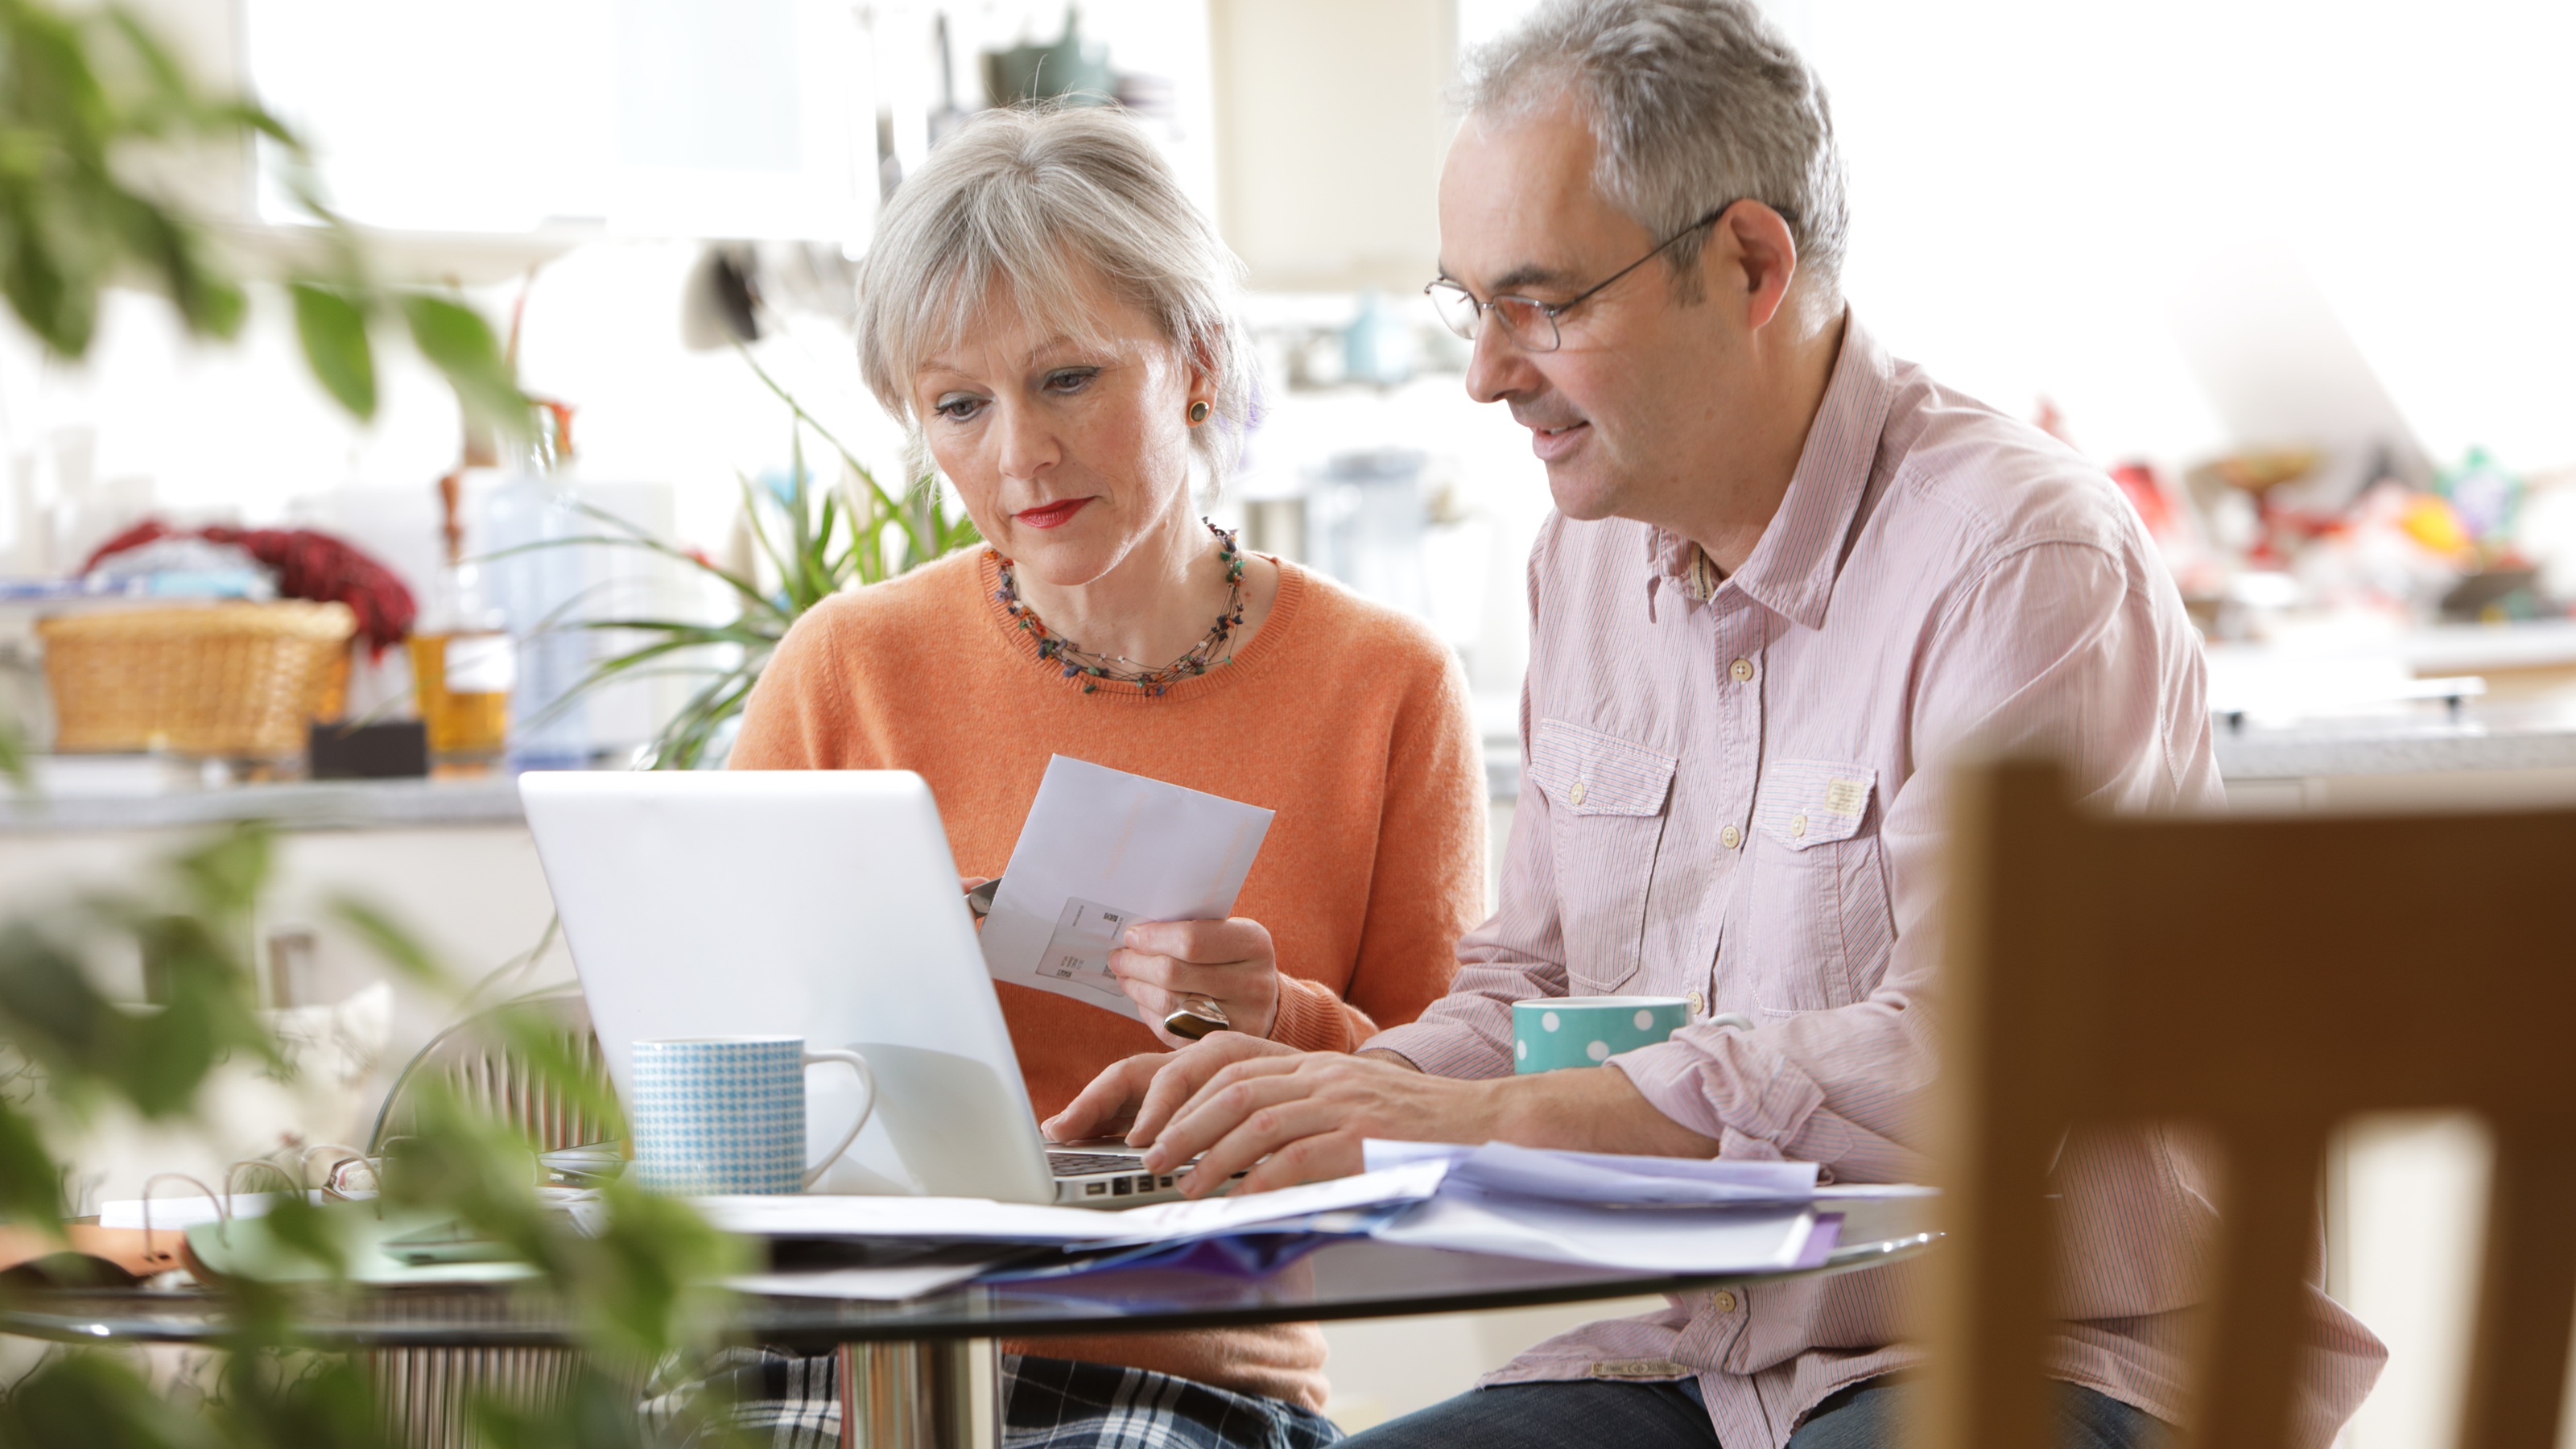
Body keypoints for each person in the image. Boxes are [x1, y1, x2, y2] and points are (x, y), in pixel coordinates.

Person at [1046, 3, 2390, 1447]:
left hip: (2039, 1345)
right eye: (1469, 304)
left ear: (1750, 262)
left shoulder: (2020, 561)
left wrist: (1480, 1127)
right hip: (1685, 1357)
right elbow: (1536, 991)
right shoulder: (1589, 559)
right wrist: (1324, 1092)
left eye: (1541, 302)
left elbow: (1984, 1056)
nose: (1486, 372)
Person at [720, 105, 1488, 1447]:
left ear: (1193, 362)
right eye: (959, 404)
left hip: (1178, 1366)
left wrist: (1280, 1022)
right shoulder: (847, 666)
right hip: (839, 1342)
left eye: (1067, 377)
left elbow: (1450, 1137)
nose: (1017, 453)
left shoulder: (1383, 687)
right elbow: (709, 1071)